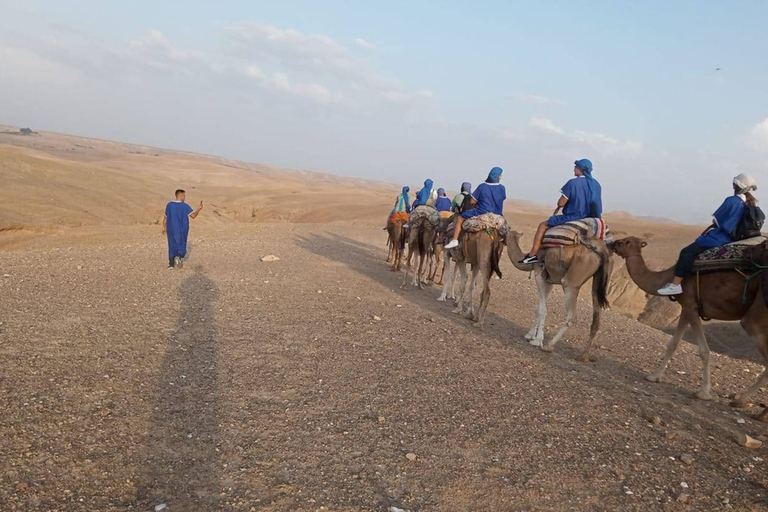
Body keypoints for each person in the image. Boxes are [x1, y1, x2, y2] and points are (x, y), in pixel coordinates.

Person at [657, 174, 759, 296]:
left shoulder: (732, 201)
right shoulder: (752, 203)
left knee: (686, 252)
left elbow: (716, 220)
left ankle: (675, 285)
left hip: (721, 238)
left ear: (735, 185)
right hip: (737, 238)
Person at [520, 158, 602, 264]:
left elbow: (561, 203)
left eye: (576, 167)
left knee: (543, 225)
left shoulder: (573, 183)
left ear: (580, 169)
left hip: (574, 216)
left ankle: (533, 254)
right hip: (591, 218)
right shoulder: (596, 184)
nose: (574, 168)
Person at [444, 167, 505, 249]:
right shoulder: (502, 188)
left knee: (460, 218)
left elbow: (472, 201)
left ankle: (455, 240)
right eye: (500, 175)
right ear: (497, 177)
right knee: (506, 228)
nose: (501, 177)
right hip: (497, 215)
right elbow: (502, 198)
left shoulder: (482, 186)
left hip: (481, 212)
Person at [162, 189, 203, 269]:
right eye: (184, 195)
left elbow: (165, 217)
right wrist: (199, 209)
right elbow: (193, 216)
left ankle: (171, 264)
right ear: (181, 196)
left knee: (171, 244)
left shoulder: (169, 205)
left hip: (171, 228)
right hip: (181, 228)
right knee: (181, 243)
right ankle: (178, 256)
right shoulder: (184, 206)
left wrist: (164, 227)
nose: (185, 197)